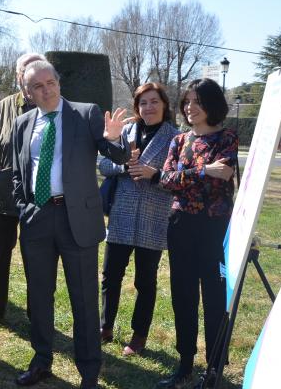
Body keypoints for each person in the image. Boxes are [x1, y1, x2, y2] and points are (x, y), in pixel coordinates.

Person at [11, 61, 131, 389]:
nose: (46, 89)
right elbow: (18, 173)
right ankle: (41, 360)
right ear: (27, 91)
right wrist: (24, 207)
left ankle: (90, 371)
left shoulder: (86, 113)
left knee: (83, 299)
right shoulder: (22, 123)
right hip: (37, 219)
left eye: (50, 82)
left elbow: (117, 157)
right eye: (38, 86)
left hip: (76, 219)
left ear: (58, 83)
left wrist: (116, 140)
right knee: (39, 295)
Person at [156, 78, 237, 389]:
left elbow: (224, 175)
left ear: (212, 104)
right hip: (181, 228)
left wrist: (184, 177)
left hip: (214, 230)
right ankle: (184, 365)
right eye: (187, 101)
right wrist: (202, 172)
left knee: (215, 298)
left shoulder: (227, 139)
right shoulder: (178, 141)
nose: (190, 107)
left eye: (197, 101)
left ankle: (215, 368)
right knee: (183, 297)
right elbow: (165, 180)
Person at [97, 82, 180, 356]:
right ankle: (105, 327)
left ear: (164, 105)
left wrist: (152, 174)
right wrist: (123, 165)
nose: (149, 107)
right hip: (121, 213)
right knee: (111, 275)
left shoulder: (175, 138)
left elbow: (178, 180)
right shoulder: (126, 131)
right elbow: (103, 164)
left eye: (154, 101)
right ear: (137, 107)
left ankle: (138, 336)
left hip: (153, 217)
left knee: (145, 282)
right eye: (143, 103)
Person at [0, 52, 43, 328]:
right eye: (25, 72)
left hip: (39, 200)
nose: (30, 78)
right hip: (4, 198)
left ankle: (36, 311)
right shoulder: (2, 107)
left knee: (36, 259)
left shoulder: (50, 107)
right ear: (18, 77)